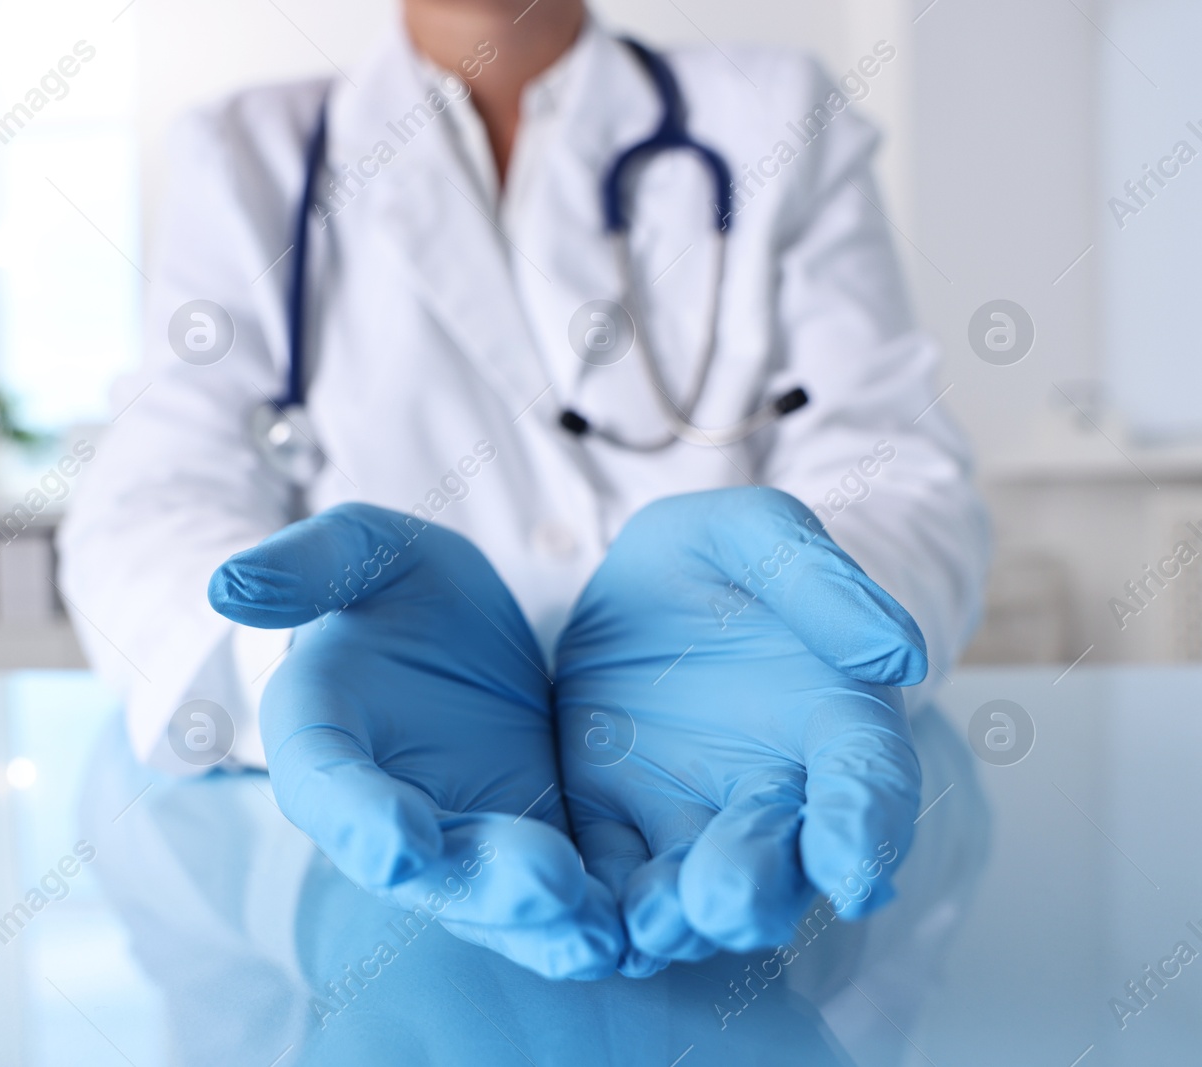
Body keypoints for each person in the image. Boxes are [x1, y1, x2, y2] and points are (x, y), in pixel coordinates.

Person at [60, 0, 988, 1056]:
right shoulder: (246, 156)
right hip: (367, 877)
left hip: (743, 823)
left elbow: (893, 458)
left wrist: (790, 604)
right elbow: (148, 500)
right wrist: (294, 653)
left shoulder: (774, 114)